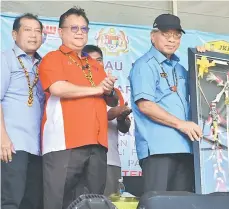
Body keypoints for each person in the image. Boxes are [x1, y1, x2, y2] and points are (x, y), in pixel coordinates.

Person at [38, 7, 118, 209]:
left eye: (84, 28)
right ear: (60, 32)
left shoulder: (95, 64)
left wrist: (108, 90)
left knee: (94, 202)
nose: (80, 32)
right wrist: (97, 89)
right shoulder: (52, 58)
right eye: (74, 28)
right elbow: (57, 88)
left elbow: (112, 101)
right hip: (65, 143)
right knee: (58, 201)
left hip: (97, 143)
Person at [129, 13, 202, 193]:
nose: (172, 40)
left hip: (186, 148)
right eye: (166, 34)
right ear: (153, 36)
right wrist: (181, 124)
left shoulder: (180, 68)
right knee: (159, 203)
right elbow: (145, 105)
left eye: (176, 36)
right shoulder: (145, 65)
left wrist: (206, 60)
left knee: (182, 204)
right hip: (158, 150)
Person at [1, 13, 44, 209]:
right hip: (12, 145)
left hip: (38, 148)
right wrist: (2, 138)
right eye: (27, 30)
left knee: (33, 202)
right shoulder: (5, 59)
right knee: (11, 201)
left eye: (38, 31)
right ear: (14, 34)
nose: (34, 35)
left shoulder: (44, 65)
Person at [82, 44, 131, 196]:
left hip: (111, 160)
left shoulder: (115, 92)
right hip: (84, 159)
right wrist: (114, 112)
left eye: (100, 59)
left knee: (109, 202)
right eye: (91, 59)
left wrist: (122, 117)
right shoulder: (79, 89)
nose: (97, 63)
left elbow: (124, 127)